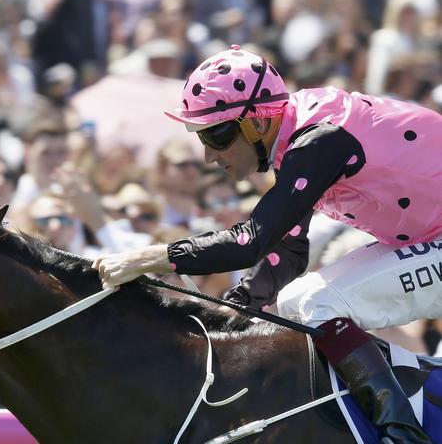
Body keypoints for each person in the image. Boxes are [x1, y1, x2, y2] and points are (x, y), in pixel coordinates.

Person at [93, 44, 442, 442]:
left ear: (257, 123)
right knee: (298, 300)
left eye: (215, 134)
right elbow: (289, 248)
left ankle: (405, 435)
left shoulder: (320, 139)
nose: (208, 155)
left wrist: (147, 258)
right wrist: (240, 305)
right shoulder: (302, 136)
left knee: (317, 302)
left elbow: (250, 242)